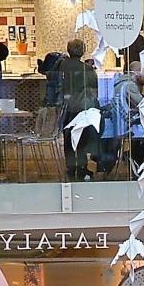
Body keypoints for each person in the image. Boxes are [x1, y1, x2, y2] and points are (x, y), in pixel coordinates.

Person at [57, 38, 99, 181]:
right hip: (81, 107)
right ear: (82, 51)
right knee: (80, 138)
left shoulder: (61, 65)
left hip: (65, 107)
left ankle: (70, 166)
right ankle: (81, 167)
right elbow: (94, 89)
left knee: (68, 138)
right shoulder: (87, 69)